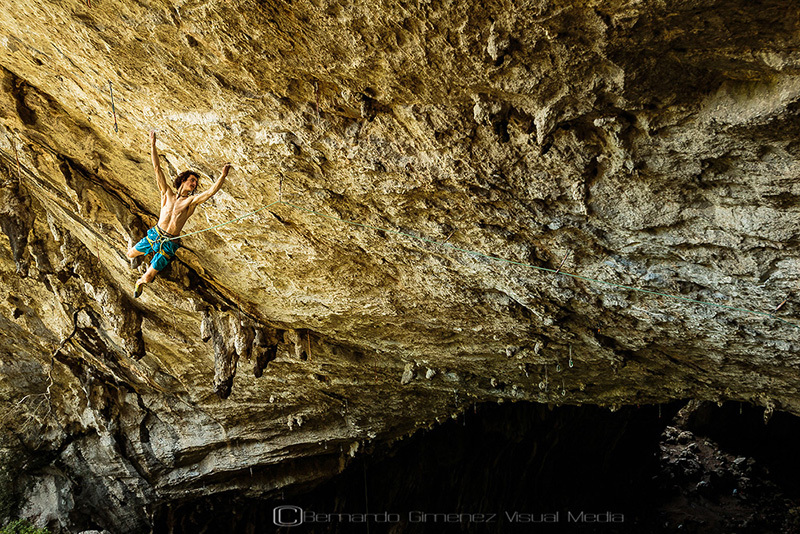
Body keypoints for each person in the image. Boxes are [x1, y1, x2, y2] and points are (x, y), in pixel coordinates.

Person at [127, 130, 231, 297]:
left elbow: (210, 192)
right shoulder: (166, 194)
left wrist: (223, 176)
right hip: (155, 234)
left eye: (195, 183)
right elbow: (156, 169)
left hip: (169, 242)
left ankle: (139, 281)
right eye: (192, 180)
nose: (194, 184)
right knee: (130, 254)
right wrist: (152, 145)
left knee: (147, 278)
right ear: (183, 180)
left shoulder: (190, 202)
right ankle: (146, 256)